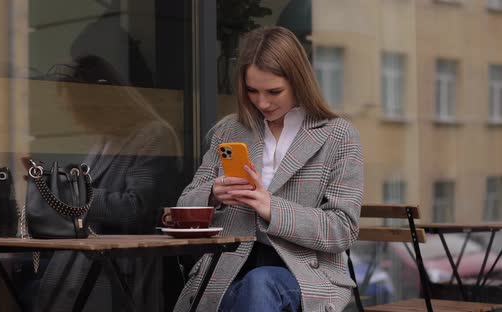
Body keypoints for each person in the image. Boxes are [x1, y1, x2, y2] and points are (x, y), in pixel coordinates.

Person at [173, 26, 363, 312]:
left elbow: (342, 230)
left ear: (298, 81)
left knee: (260, 284)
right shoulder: (229, 130)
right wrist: (212, 193)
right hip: (228, 268)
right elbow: (184, 205)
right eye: (252, 91)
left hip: (304, 271)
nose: (262, 102)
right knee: (243, 290)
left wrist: (271, 207)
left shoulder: (337, 135)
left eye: (274, 91)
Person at [31, 55, 183, 312]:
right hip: (91, 261)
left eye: (78, 109)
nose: (75, 118)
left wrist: (74, 195)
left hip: (121, 267)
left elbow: (137, 209)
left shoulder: (153, 135)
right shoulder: (105, 139)